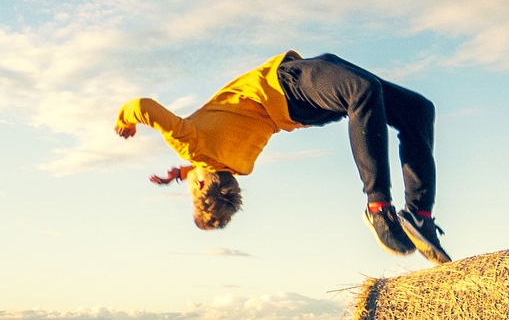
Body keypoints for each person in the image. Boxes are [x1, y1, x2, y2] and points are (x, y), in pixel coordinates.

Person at [114, 51, 451, 264]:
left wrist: (184, 171)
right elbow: (142, 107)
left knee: (417, 110)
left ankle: (420, 214)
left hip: (306, 110)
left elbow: (214, 163)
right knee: (361, 91)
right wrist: (123, 121)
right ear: (202, 181)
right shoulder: (192, 145)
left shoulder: (239, 166)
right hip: (288, 85)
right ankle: (378, 207)